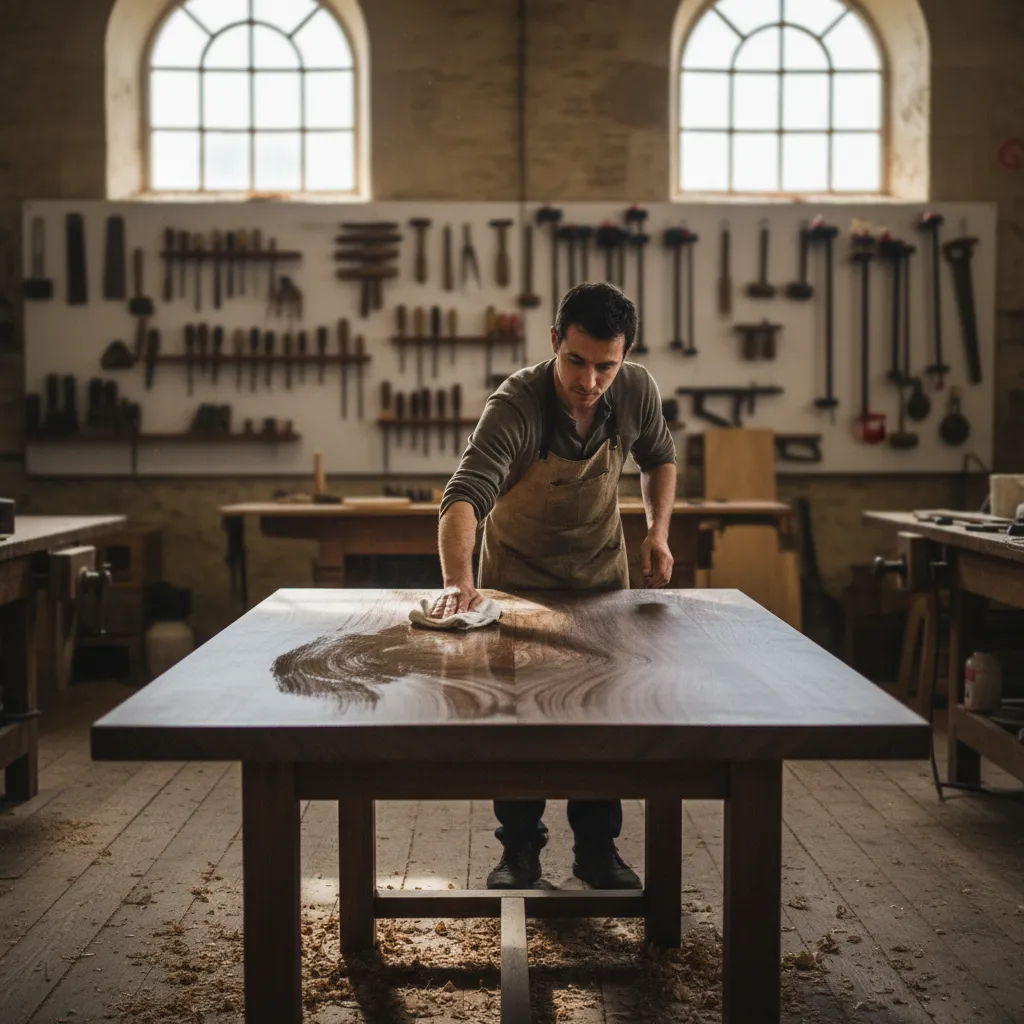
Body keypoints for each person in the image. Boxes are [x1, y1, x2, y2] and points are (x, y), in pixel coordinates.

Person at [430, 281, 677, 889]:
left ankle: (597, 850)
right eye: (575, 361)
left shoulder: (636, 389)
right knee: (518, 723)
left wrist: (658, 531)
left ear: (625, 355)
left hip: (600, 580)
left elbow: (658, 457)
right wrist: (459, 582)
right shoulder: (517, 404)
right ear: (554, 342)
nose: (589, 382)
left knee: (602, 716)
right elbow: (464, 496)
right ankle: (519, 852)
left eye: (605, 366)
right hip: (519, 584)